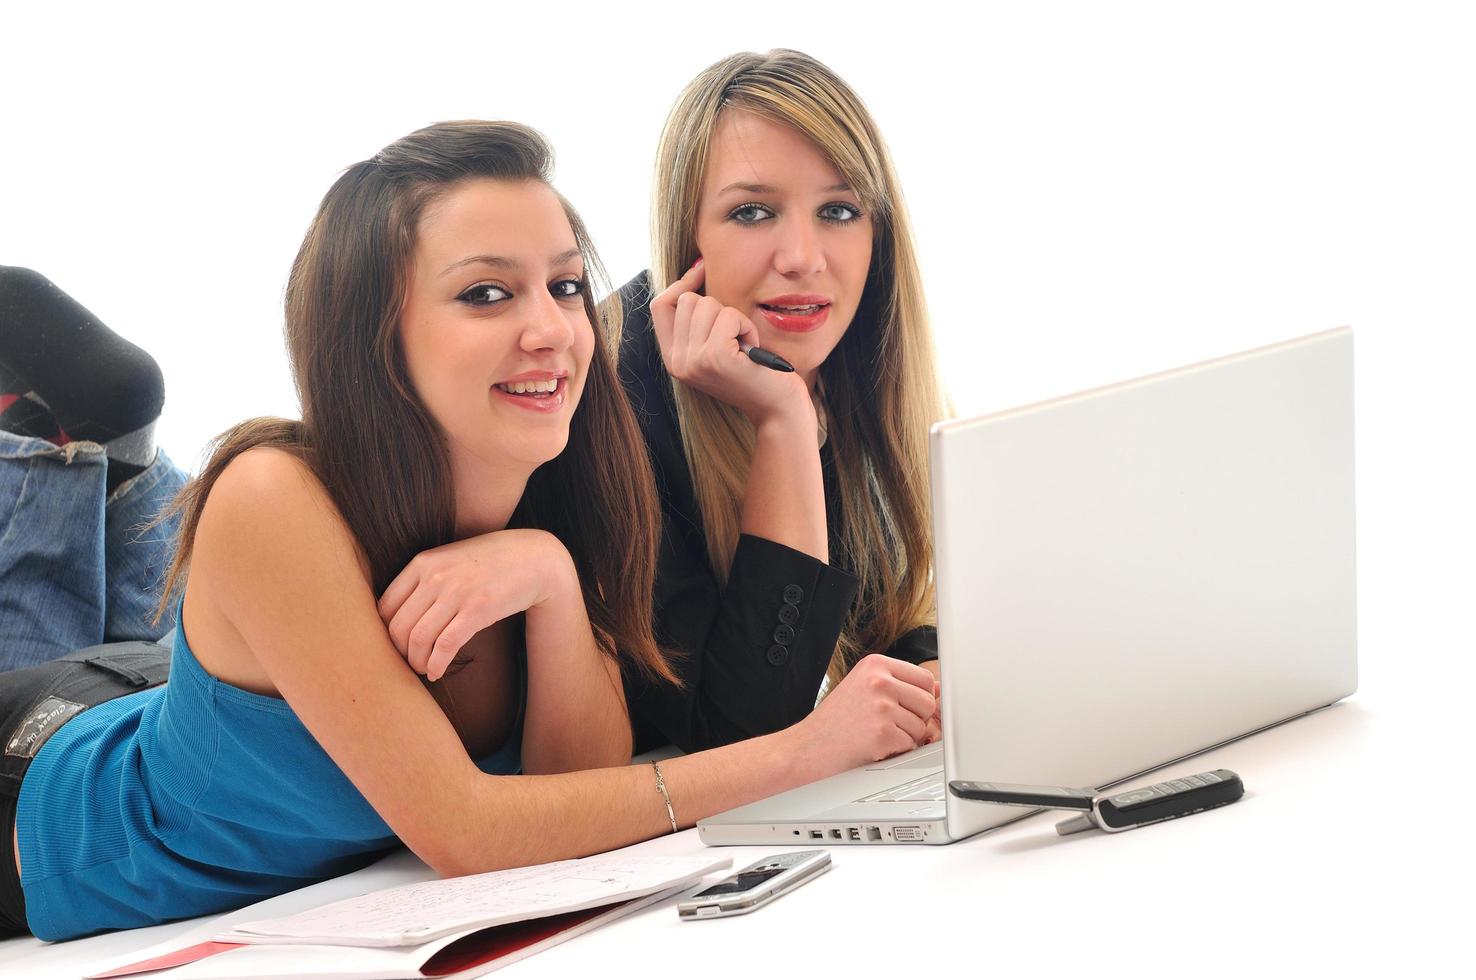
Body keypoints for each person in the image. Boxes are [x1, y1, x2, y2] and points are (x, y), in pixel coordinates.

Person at [0, 120, 939, 943]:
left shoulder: (564, 471)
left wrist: (553, 580)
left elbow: (577, 785)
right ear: (375, 333)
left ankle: (112, 476)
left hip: (157, 691)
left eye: (567, 286)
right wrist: (798, 757)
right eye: (486, 294)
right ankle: (89, 464)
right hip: (42, 799)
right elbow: (469, 834)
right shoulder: (269, 497)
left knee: (126, 629)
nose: (552, 330)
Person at [616, 50, 948, 753]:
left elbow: (892, 616)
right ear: (686, 238)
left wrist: (933, 672)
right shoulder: (616, 405)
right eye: (753, 211)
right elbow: (747, 733)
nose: (802, 256)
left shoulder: (859, 364)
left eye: (838, 210)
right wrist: (782, 422)